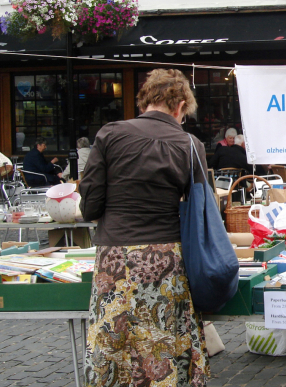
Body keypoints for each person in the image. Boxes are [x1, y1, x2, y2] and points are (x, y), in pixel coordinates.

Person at [80, 69, 210, 386]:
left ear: (145, 101)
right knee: (165, 351)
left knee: (116, 351)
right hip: (167, 261)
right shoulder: (190, 145)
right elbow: (204, 214)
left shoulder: (109, 135)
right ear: (180, 105)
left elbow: (90, 206)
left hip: (115, 261)